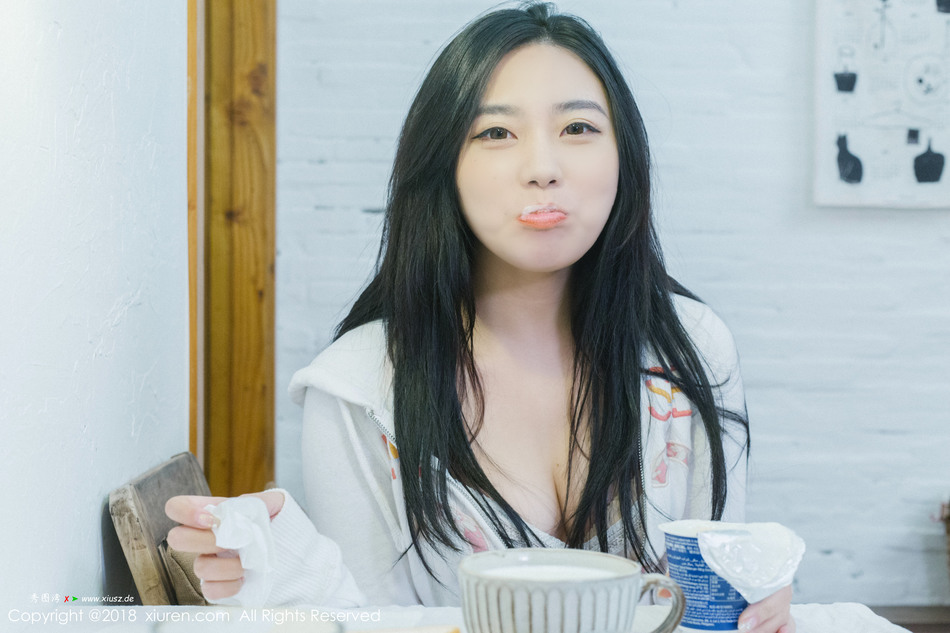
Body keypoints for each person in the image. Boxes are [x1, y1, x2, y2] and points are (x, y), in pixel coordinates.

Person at [166, 3, 794, 632]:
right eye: (495, 133)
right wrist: (296, 574)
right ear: (444, 163)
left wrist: (754, 604)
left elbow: (711, 607)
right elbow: (364, 620)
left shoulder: (690, 349)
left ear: (624, 156)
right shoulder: (358, 390)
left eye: (578, 127)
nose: (542, 168)